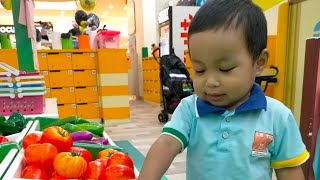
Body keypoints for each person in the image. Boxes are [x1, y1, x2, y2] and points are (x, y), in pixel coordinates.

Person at [137, 0, 309, 180]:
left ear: (259, 62)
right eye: (200, 70)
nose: (210, 82)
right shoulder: (190, 109)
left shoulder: (277, 117)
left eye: (225, 68)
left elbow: (289, 171)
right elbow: (166, 145)